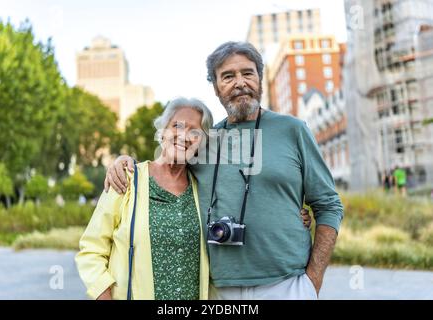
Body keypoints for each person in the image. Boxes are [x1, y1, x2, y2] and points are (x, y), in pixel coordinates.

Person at [105, 42, 343, 300]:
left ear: (260, 79)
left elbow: (329, 204)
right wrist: (124, 160)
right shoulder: (202, 141)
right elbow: (166, 165)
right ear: (216, 87)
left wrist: (313, 280)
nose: (240, 82)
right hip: (218, 290)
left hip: (287, 284)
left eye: (248, 73)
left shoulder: (293, 130)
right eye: (228, 76)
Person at [75, 98, 213, 300]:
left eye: (195, 132)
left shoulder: (202, 189)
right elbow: (91, 249)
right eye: (177, 126)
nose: (185, 136)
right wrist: (103, 296)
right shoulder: (127, 178)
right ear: (162, 131)